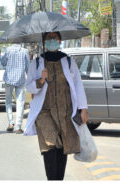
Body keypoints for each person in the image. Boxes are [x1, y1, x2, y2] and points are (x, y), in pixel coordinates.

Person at [24, 32, 89, 180]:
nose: (52, 41)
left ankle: (59, 179)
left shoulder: (68, 61)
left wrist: (83, 108)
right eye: (48, 38)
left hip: (65, 112)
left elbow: (78, 85)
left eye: (55, 38)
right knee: (49, 146)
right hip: (44, 112)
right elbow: (29, 87)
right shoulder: (37, 63)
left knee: (62, 147)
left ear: (60, 41)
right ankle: (52, 179)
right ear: (44, 42)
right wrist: (41, 80)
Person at [1, 44, 30, 134]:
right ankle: (18, 126)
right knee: (20, 102)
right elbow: (28, 67)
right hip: (21, 79)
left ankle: (11, 123)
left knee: (8, 102)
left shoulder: (8, 50)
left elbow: (3, 63)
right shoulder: (25, 51)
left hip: (8, 79)